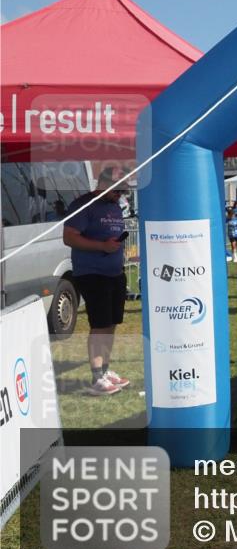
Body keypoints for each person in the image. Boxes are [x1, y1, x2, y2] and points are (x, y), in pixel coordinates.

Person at [63, 167, 130, 396]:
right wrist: (102, 246)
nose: (120, 194)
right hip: (92, 273)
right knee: (99, 325)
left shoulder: (114, 206)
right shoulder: (83, 204)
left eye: (123, 190)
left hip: (114, 273)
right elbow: (69, 237)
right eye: (117, 189)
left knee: (111, 324)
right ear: (103, 183)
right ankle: (96, 377)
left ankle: (106, 370)